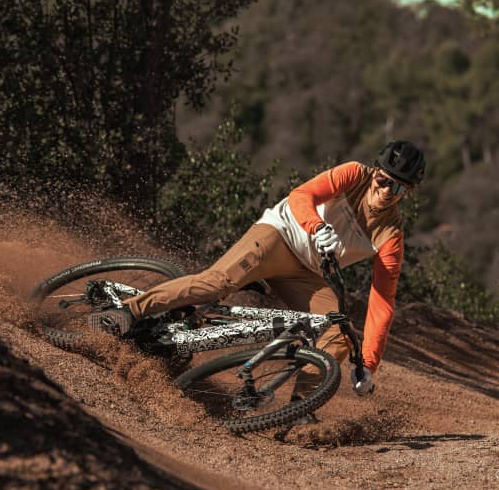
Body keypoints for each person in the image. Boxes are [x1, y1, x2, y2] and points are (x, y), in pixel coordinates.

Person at [109, 140, 425, 397]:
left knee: (338, 335)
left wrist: (368, 364)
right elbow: (302, 195)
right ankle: (129, 310)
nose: (386, 192)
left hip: (305, 274)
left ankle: (301, 406)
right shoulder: (354, 174)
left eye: (397, 189)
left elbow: (382, 302)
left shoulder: (391, 234)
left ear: (407, 193)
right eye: (383, 181)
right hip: (278, 236)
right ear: (374, 173)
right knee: (217, 284)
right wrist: (315, 226)